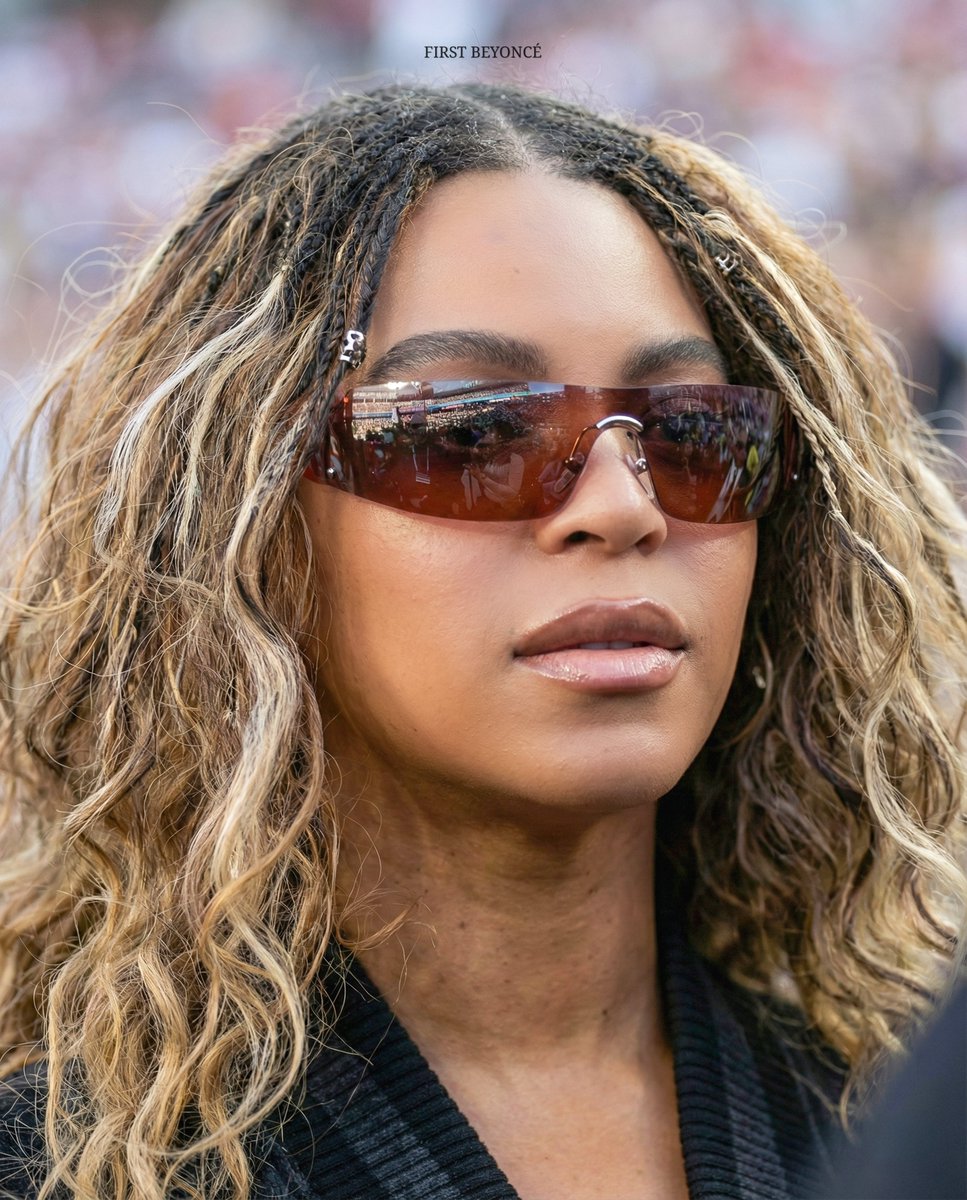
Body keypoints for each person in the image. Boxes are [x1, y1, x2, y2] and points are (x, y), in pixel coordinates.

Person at [0, 80, 965, 1200]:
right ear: (241, 519)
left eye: (694, 433)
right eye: (470, 432)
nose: (621, 505)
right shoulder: (61, 1167)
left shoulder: (900, 1115)